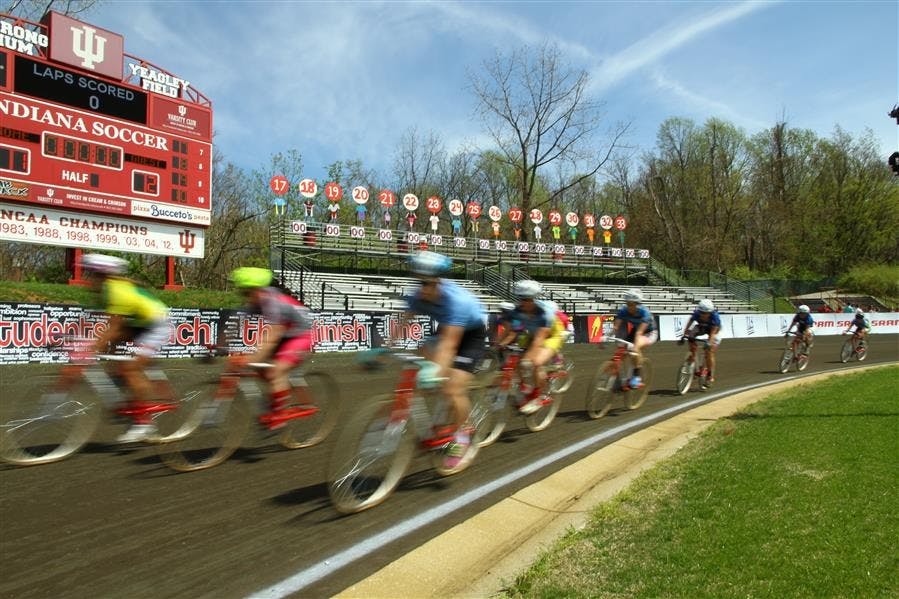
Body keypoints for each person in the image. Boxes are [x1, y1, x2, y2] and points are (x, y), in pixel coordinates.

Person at [399, 252, 488, 468]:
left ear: (438, 282)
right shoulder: (418, 295)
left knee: (452, 388)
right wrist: (383, 349)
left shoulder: (457, 301)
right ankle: (438, 416)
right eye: (417, 281)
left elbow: (449, 345)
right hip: (447, 328)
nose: (421, 288)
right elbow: (402, 323)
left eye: (425, 283)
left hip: (471, 335)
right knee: (421, 357)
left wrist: (436, 371)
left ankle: (463, 435)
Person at [80, 254, 171, 443]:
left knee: (131, 368)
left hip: (156, 324)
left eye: (91, 274)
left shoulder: (117, 291)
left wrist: (88, 349)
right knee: (113, 358)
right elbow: (87, 319)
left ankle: (144, 424)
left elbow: (113, 328)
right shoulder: (103, 290)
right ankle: (126, 392)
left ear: (102, 276)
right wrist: (72, 337)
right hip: (138, 322)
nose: (88, 279)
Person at [229, 267, 314, 430]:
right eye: (242, 293)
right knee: (262, 371)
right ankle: (279, 394)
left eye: (247, 293)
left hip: (302, 335)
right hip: (287, 334)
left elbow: (272, 338)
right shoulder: (255, 302)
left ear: (258, 290)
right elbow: (233, 325)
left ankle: (279, 416)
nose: (245, 297)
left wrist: (250, 359)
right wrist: (218, 347)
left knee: (276, 370)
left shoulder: (273, 302)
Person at [498, 280, 566, 414]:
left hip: (550, 336)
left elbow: (539, 339)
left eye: (527, 299)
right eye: (520, 298)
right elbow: (514, 331)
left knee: (534, 362)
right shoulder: (516, 312)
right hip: (531, 334)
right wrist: (500, 344)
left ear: (534, 299)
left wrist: (528, 358)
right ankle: (525, 387)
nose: (522, 302)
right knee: (516, 358)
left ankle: (540, 395)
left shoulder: (544, 313)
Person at [611, 288, 657, 388]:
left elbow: (640, 333)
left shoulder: (645, 313)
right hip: (636, 331)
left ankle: (637, 376)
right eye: (627, 304)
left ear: (637, 304)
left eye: (631, 304)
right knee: (622, 351)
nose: (629, 307)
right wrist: (606, 337)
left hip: (649, 333)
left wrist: (635, 348)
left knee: (634, 349)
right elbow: (616, 327)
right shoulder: (624, 310)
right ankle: (620, 378)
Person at [679, 299, 722, 384]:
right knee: (691, 337)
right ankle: (693, 357)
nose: (703, 315)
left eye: (705, 313)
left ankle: (710, 374)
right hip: (701, 327)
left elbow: (713, 333)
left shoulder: (715, 317)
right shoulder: (697, 313)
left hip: (714, 330)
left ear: (710, 312)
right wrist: (685, 334)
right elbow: (690, 322)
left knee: (709, 351)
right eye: (701, 312)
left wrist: (709, 343)